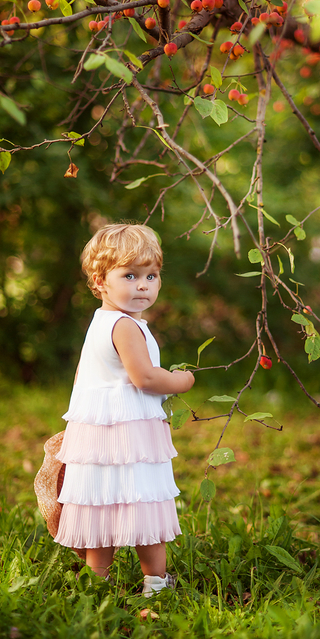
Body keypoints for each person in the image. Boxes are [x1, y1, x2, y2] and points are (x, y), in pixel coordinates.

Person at [53, 223, 195, 596]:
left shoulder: (100, 321)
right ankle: (156, 582)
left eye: (151, 276)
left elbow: (84, 375)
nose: (143, 285)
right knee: (143, 499)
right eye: (130, 276)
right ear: (100, 281)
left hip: (100, 432)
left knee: (100, 501)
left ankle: (96, 581)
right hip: (129, 432)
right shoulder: (126, 327)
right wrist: (181, 380)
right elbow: (144, 378)